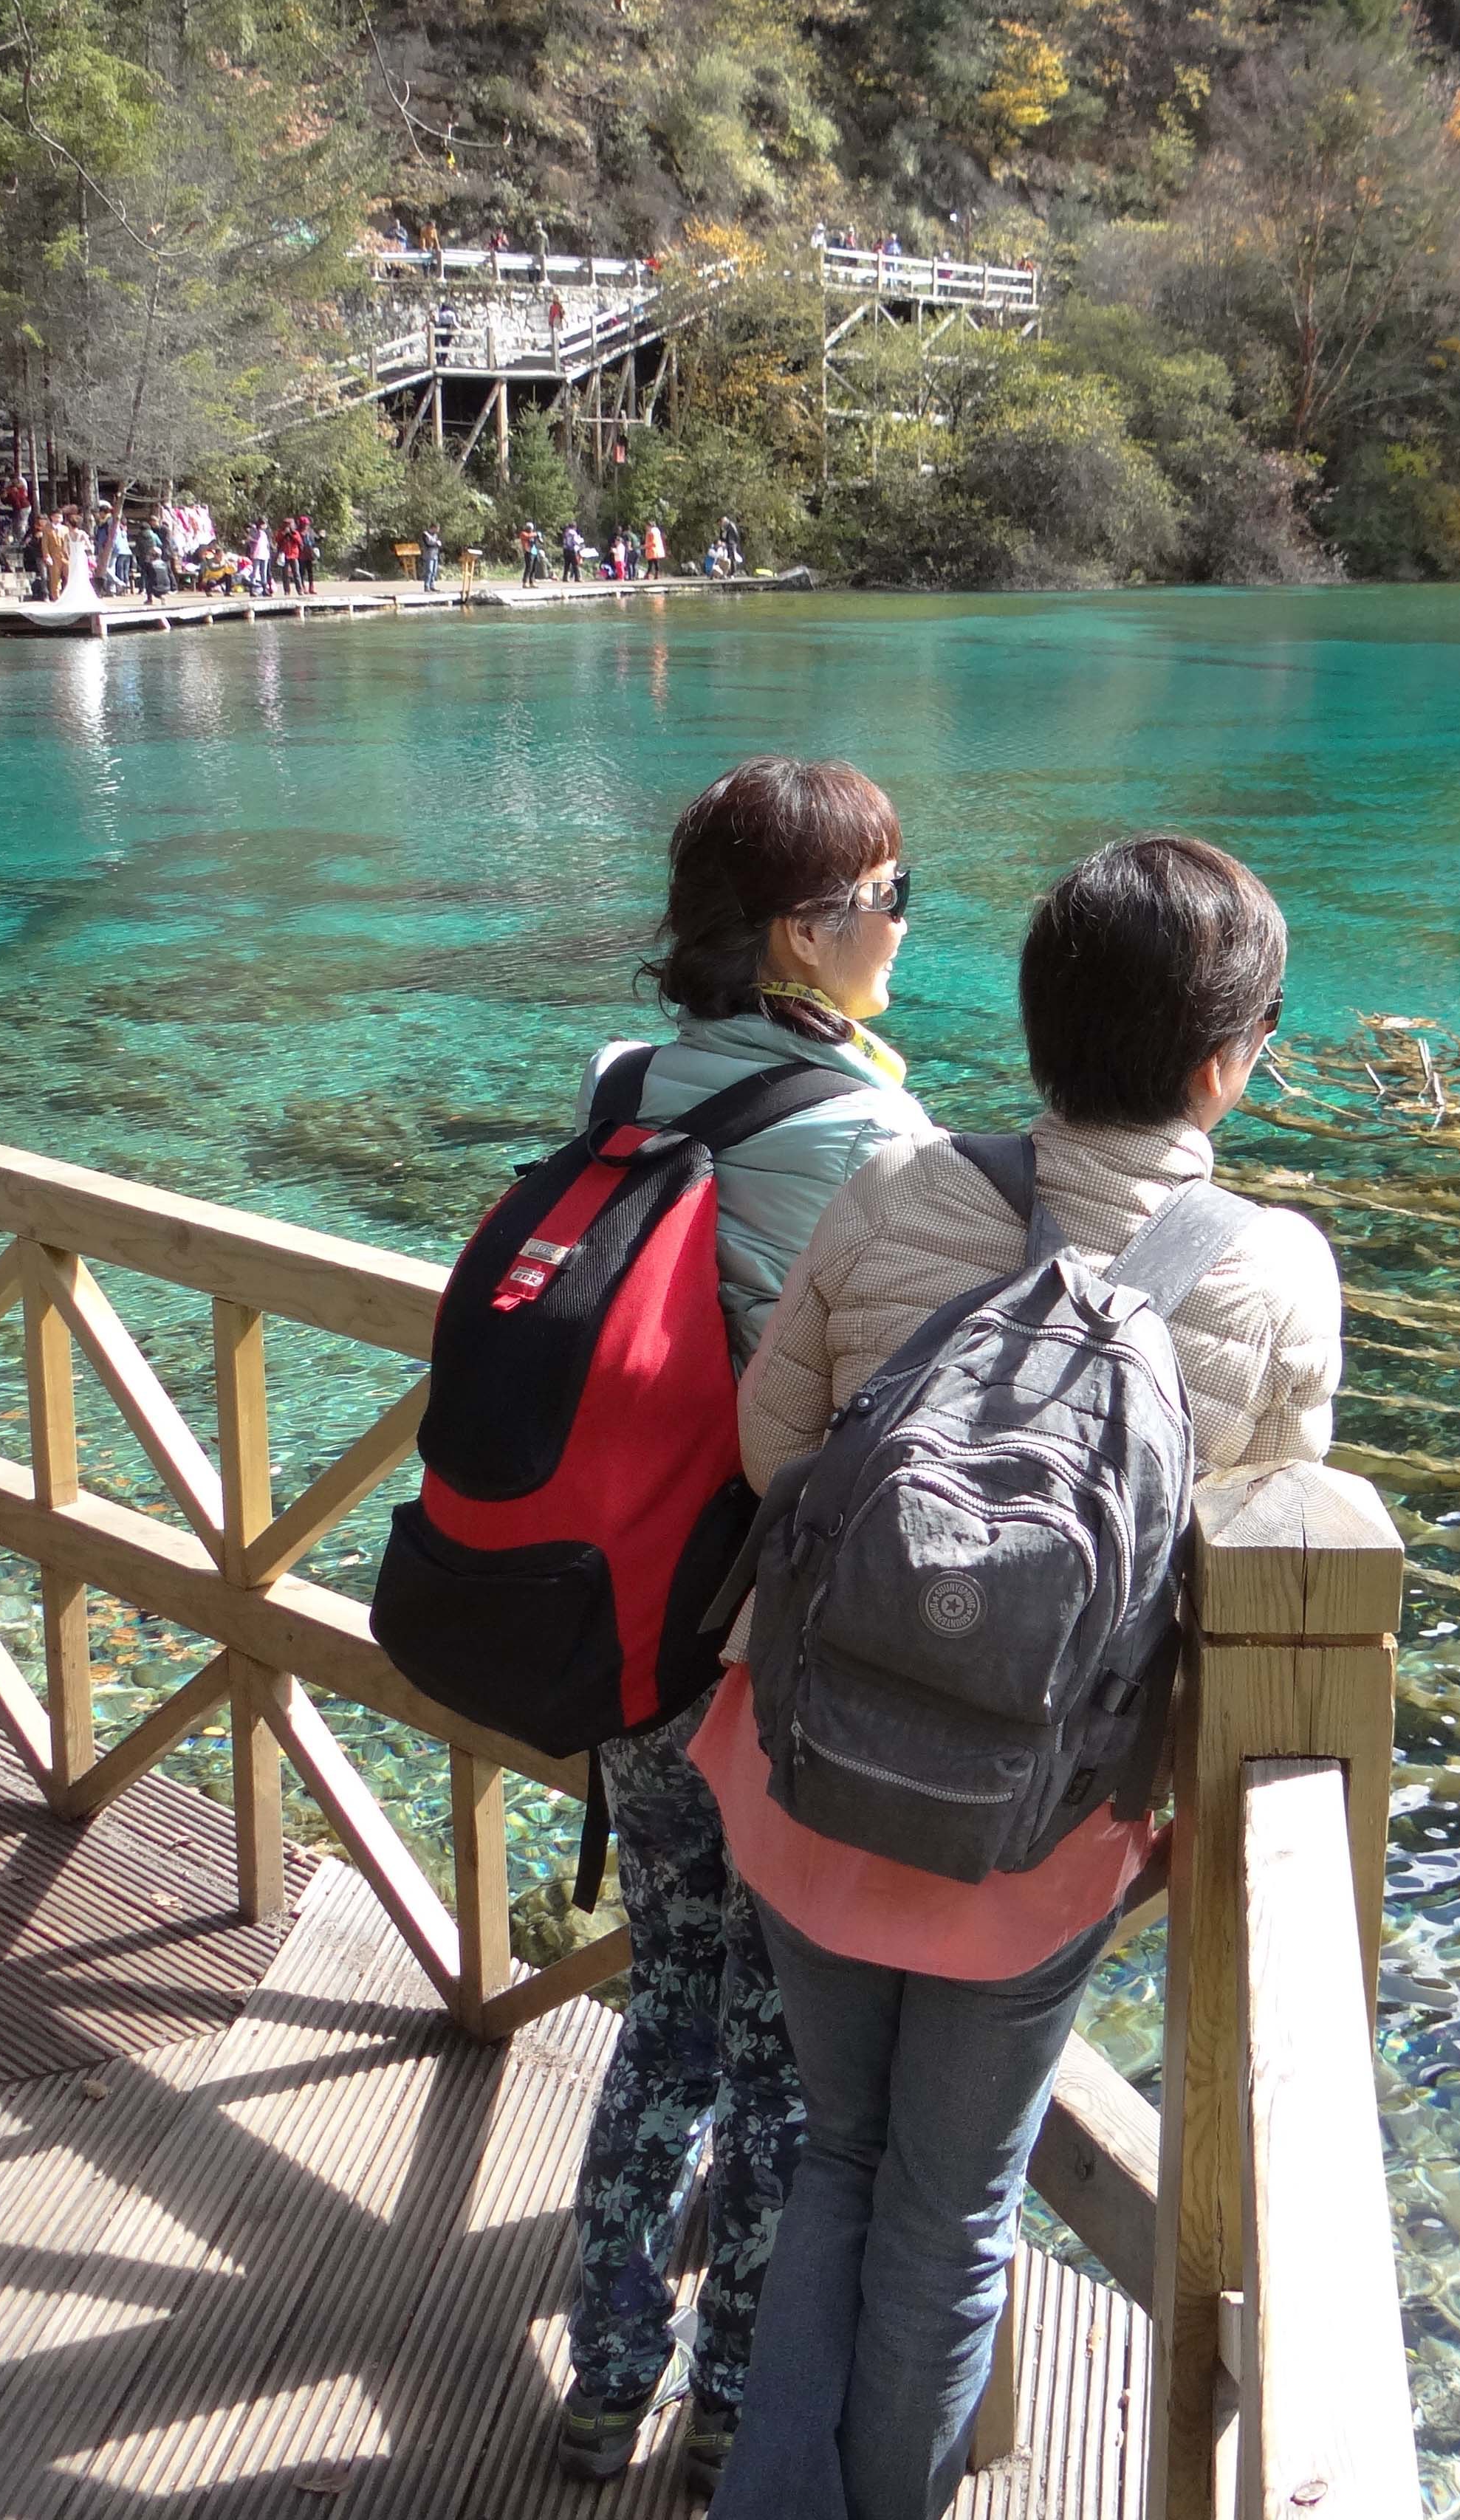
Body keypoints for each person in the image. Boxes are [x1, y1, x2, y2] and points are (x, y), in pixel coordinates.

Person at [699, 836, 1341, 2520]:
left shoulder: (899, 1188)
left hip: (813, 1772)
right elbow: (1262, 1562)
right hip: (1034, 1836)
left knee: (841, 2156)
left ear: (1040, 1022)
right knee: (950, 2204)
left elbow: (775, 1451)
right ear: (1225, 1062)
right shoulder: (1274, 1276)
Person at [556, 758, 933, 2500]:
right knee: (785, 2052)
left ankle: (602, 2375)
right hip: (771, 1661)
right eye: (891, 897)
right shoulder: (871, 1137)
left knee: (667, 2003)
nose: (907, 925)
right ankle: (730, 2408)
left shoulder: (622, 1080)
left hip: (633, 1618)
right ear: (806, 933)